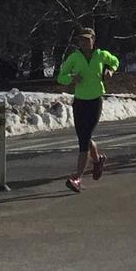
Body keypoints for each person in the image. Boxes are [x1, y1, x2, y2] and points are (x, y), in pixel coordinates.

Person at [55, 26, 119, 192]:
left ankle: (77, 178)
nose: (84, 42)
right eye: (81, 40)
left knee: (84, 139)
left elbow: (115, 61)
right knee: (84, 136)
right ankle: (97, 160)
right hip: (80, 102)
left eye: (87, 39)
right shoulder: (74, 58)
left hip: (95, 101)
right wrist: (71, 79)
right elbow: (61, 77)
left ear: (93, 40)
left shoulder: (101, 55)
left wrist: (110, 70)